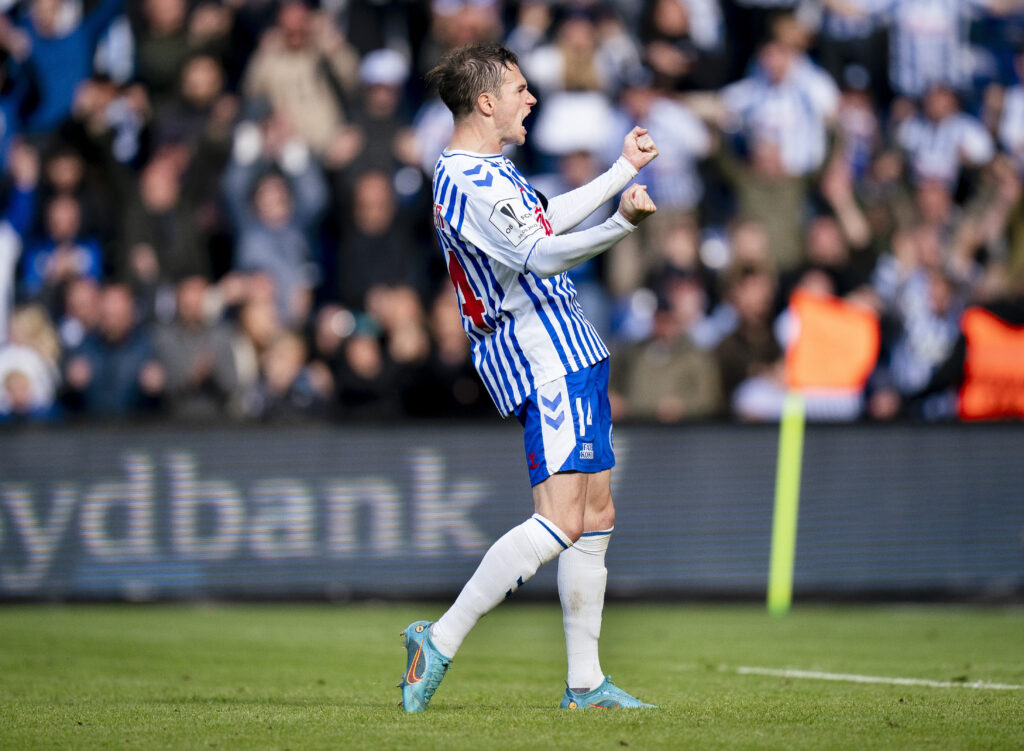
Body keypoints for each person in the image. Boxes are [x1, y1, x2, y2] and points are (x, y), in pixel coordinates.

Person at [397, 41, 658, 714]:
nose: (530, 98)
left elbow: (544, 219)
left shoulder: (494, 169)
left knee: (596, 512)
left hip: (575, 347)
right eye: (518, 89)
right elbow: (542, 256)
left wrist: (616, 173)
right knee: (560, 519)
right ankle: (442, 636)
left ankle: (584, 684)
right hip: (544, 358)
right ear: (486, 101)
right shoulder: (463, 179)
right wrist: (622, 223)